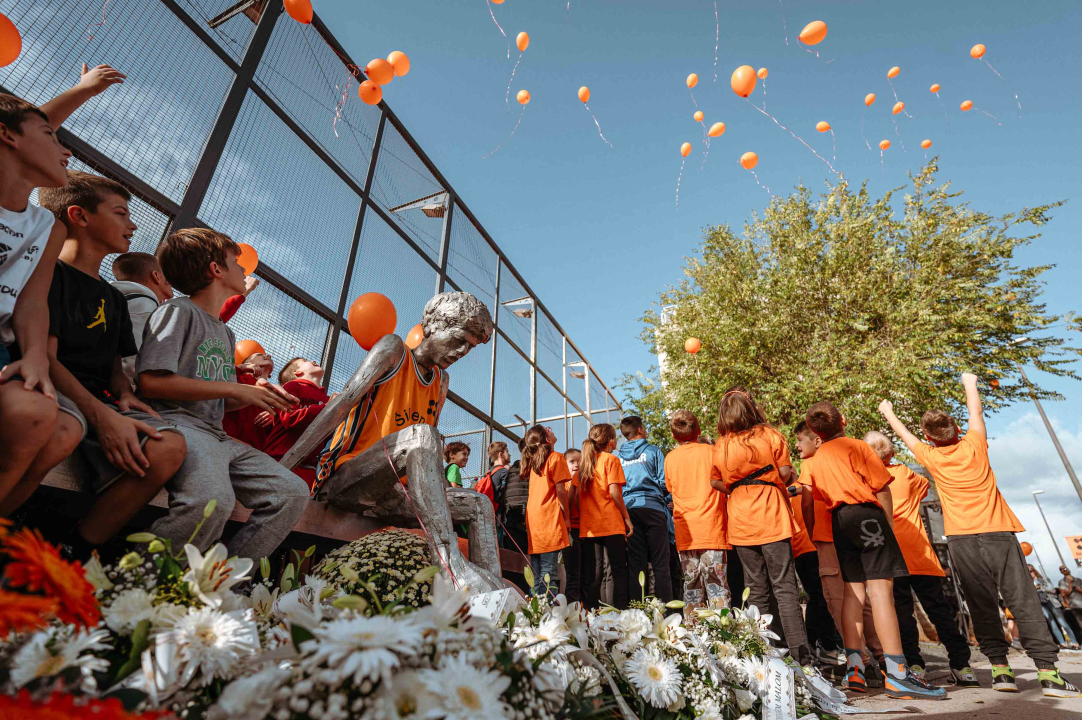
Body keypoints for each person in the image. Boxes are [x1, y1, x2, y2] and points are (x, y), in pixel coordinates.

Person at [879, 373, 1080, 698]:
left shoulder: (930, 456)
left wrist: (888, 411)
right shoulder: (974, 445)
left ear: (929, 438)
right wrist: (969, 384)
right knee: (1023, 601)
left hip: (962, 540)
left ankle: (1001, 671)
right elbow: (976, 411)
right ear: (958, 430)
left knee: (981, 603)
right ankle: (1048, 673)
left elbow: (904, 434)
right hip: (997, 532)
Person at [29, 173, 188, 556]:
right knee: (60, 428)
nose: (132, 224)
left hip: (100, 401)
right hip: (56, 392)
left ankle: (77, 551)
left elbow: (115, 365)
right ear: (80, 216)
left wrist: (122, 393)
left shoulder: (113, 297)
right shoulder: (49, 273)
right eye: (120, 213)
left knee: (168, 446)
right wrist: (102, 416)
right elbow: (46, 358)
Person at [136, 228, 309, 563]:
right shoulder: (177, 311)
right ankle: (142, 580)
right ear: (216, 270)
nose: (243, 269)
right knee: (213, 500)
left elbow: (221, 400)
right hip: (177, 424)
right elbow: (151, 383)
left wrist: (256, 395)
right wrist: (235, 387)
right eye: (236, 262)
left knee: (291, 493)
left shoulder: (225, 333)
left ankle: (225, 582)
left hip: (216, 435)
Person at [803, 400, 945, 700]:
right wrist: (887, 526)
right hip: (868, 517)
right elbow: (881, 487)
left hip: (839, 520)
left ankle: (855, 668)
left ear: (815, 432)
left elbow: (814, 499)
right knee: (881, 593)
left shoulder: (816, 458)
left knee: (852, 594)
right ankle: (898, 674)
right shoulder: (858, 446)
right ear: (842, 420)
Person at [0, 94, 83, 515]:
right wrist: (84, 90)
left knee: (55, 423)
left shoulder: (46, 226)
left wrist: (34, 356)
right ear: (6, 136)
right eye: (51, 136)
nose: (65, 151)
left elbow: (32, 300)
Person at [863, 431, 978, 687]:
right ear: (892, 454)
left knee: (903, 614)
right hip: (920, 553)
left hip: (890, 556)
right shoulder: (906, 474)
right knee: (939, 610)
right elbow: (923, 490)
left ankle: (915, 665)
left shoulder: (865, 481)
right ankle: (962, 665)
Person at [710, 388, 811, 666]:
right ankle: (801, 658)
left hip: (741, 518)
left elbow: (715, 482)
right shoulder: (770, 435)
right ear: (750, 408)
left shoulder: (721, 444)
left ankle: (767, 658)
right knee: (785, 587)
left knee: (755, 589)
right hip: (771, 513)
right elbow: (785, 473)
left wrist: (735, 487)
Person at [796, 420, 885, 679]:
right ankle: (883, 658)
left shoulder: (811, 463)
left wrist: (812, 533)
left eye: (800, 440)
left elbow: (807, 503)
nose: (797, 445)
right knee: (861, 600)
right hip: (854, 533)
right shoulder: (847, 454)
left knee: (837, 601)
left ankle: (859, 664)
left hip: (827, 536)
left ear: (817, 440)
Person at [664, 409, 730, 612]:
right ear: (699, 430)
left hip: (686, 533)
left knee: (691, 586)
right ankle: (722, 629)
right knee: (717, 585)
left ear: (673, 435)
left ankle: (693, 628)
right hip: (713, 529)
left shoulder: (670, 458)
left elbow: (670, 489)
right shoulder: (712, 452)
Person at [573, 423, 633, 609]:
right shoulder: (611, 460)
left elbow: (574, 497)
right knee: (617, 570)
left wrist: (584, 513)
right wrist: (627, 517)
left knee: (594, 572)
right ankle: (620, 611)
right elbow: (614, 492)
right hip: (611, 523)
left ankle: (592, 612)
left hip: (590, 526)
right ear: (611, 441)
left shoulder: (584, 463)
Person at [616, 416, 673, 603]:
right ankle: (666, 610)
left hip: (629, 511)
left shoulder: (618, 458)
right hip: (653, 508)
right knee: (660, 563)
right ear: (640, 429)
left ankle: (637, 610)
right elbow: (664, 483)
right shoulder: (653, 451)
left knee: (636, 564)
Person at [788, 482, 843, 664]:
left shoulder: (786, 493)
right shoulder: (808, 486)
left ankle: (818, 643)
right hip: (814, 546)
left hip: (801, 550)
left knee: (818, 597)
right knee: (824, 597)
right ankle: (827, 646)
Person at [261, 357, 331, 489]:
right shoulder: (292, 386)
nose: (314, 361)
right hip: (279, 458)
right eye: (305, 361)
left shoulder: (326, 398)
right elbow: (289, 418)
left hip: (310, 468)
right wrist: (327, 408)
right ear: (297, 372)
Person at [522, 425, 570, 599]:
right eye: (548, 430)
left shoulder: (535, 461)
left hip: (534, 519)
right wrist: (567, 517)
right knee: (549, 570)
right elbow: (561, 491)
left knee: (536, 570)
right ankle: (549, 609)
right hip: (549, 517)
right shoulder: (556, 457)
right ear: (548, 439)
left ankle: (536, 608)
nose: (551, 429)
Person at [111, 252, 174, 382]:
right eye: (166, 273)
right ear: (156, 276)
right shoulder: (144, 305)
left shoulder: (116, 299)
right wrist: (131, 390)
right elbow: (131, 360)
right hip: (117, 389)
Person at [222, 349, 275, 449]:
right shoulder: (235, 375)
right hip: (221, 439)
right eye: (260, 354)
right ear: (248, 362)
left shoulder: (273, 393)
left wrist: (274, 417)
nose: (269, 356)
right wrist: (240, 368)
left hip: (252, 450)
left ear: (270, 375)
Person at [1030, 565, 1078, 648]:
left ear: (1034, 571)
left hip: (1051, 602)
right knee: (1052, 624)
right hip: (1041, 604)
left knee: (1062, 622)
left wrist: (1041, 587)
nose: (1029, 573)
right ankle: (1062, 643)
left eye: (1030, 571)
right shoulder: (1029, 584)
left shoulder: (1044, 579)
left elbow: (1052, 590)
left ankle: (1074, 642)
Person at [562, 448, 586, 604]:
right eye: (572, 462)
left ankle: (584, 607)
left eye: (579, 461)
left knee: (586, 573)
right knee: (573, 574)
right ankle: (572, 607)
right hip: (571, 531)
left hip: (585, 531)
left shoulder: (584, 483)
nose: (576, 464)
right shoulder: (563, 486)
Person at [1058, 566, 1082, 637]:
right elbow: (1063, 594)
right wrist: (1070, 587)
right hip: (1074, 605)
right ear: (1061, 572)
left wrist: (1076, 588)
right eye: (1062, 569)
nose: (1064, 570)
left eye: (1065, 568)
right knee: (1080, 622)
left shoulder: (1078, 580)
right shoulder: (1062, 582)